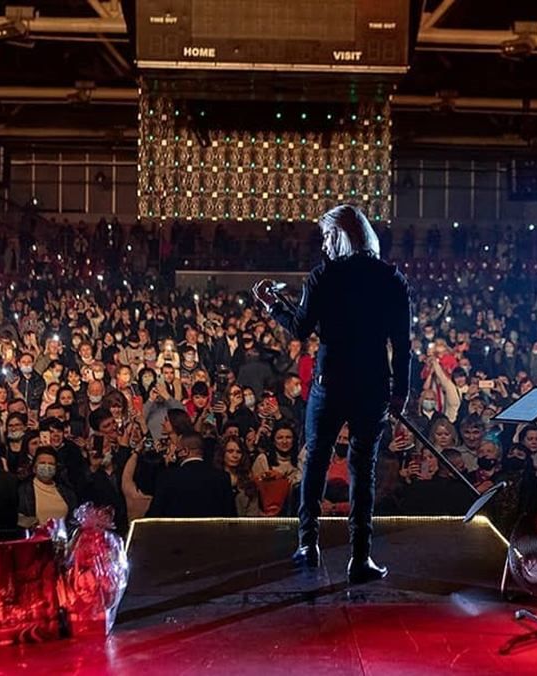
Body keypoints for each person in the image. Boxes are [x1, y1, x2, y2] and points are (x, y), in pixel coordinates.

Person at [253, 204, 412, 584]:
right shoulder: (392, 278)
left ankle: (308, 544)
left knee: (316, 463)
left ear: (342, 234)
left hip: (330, 384)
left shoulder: (325, 275)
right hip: (373, 387)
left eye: (327, 236)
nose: (324, 245)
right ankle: (360, 558)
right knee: (363, 471)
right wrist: (400, 392)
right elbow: (403, 344)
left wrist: (271, 304)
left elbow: (299, 328)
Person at [149, 433, 235, 517]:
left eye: (177, 450)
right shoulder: (222, 477)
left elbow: (155, 515)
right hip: (213, 531)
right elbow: (230, 516)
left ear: (185, 451)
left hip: (177, 531)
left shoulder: (167, 477)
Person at [17, 448, 77, 527]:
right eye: (42, 463)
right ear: (34, 468)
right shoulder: (22, 491)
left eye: (51, 464)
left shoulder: (66, 491)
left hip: (62, 538)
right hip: (36, 537)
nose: (47, 466)